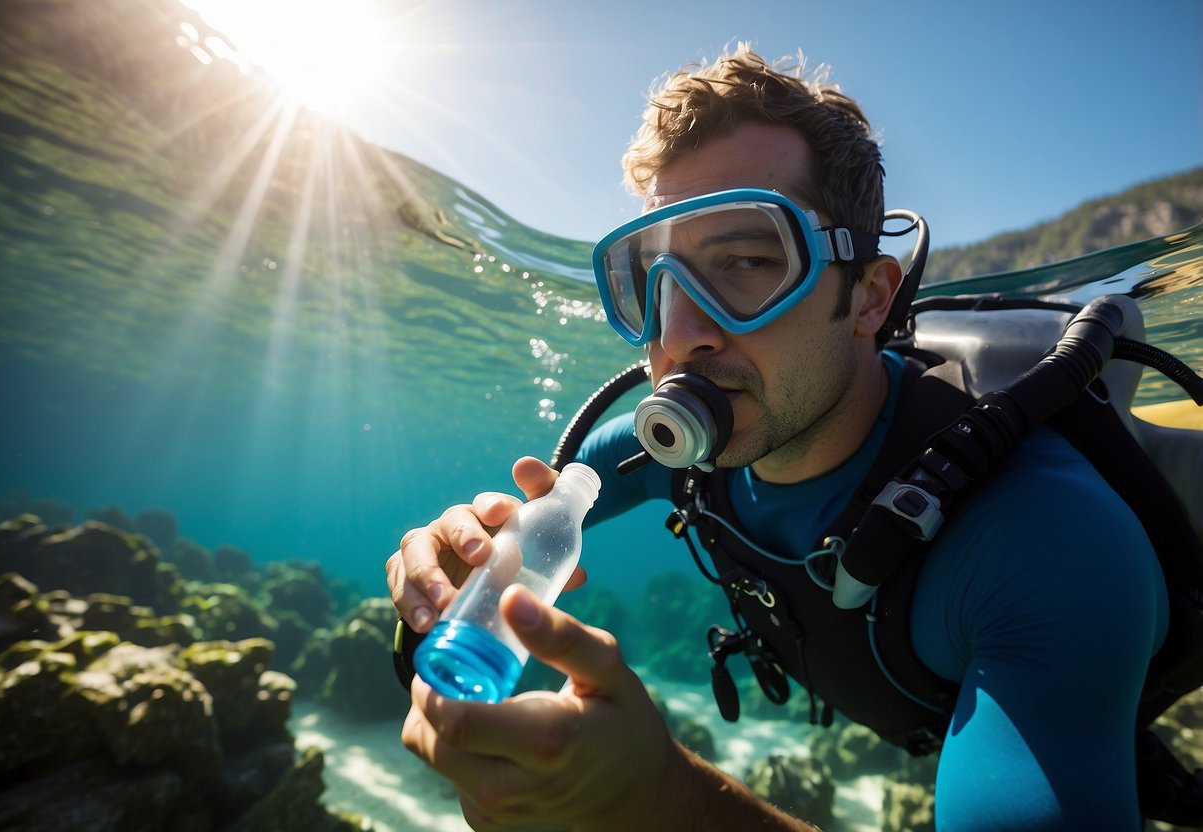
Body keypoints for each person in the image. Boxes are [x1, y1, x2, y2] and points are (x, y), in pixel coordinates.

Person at [387, 44, 1169, 830]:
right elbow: (546, 517)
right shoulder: (667, 449)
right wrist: (459, 568)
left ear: (867, 298)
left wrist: (655, 803)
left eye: (747, 261)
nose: (680, 334)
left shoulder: (1045, 546)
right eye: (652, 281)